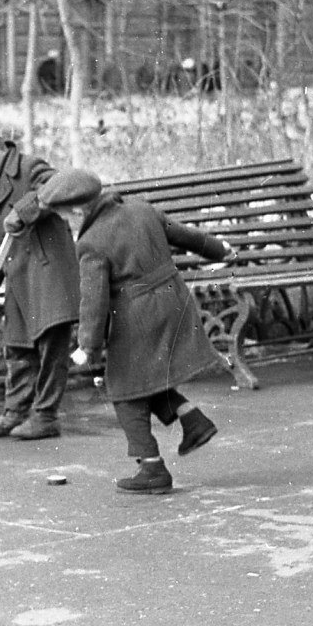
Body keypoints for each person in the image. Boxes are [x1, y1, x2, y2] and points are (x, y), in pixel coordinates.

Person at [38, 168, 234, 494]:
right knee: (144, 380)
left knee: (124, 391)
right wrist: (219, 250)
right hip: (175, 303)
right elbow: (186, 236)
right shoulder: (142, 209)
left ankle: (152, 468)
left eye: (63, 218)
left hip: (138, 316)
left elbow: (94, 301)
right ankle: (192, 420)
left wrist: (88, 345)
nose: (66, 224)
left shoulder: (91, 242)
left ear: (77, 210)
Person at [0, 121, 80, 441]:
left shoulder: (29, 167)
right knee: (17, 346)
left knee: (52, 346)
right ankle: (16, 411)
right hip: (20, 276)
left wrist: (24, 209)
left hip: (48, 271)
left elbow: (62, 187)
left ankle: (46, 415)